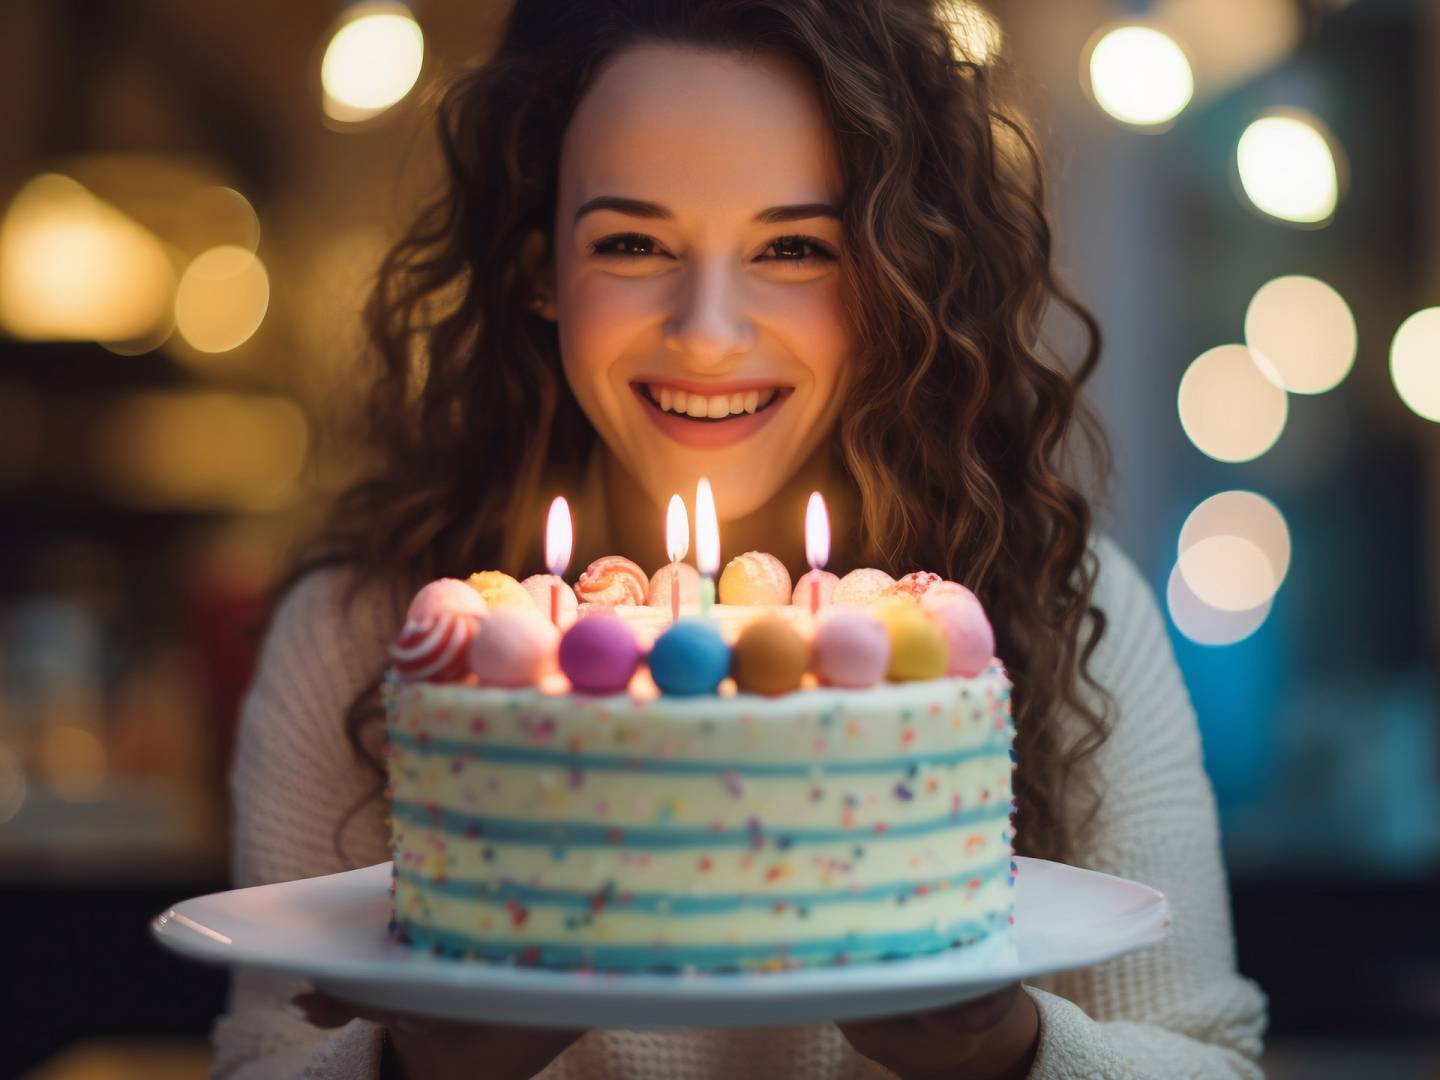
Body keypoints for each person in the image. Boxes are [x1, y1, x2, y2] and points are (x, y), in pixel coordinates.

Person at [210, 1, 1269, 1077]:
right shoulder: (366, 633)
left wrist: (1006, 1050)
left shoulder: (1050, 604)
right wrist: (421, 1067)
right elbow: (260, 1062)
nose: (708, 332)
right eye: (631, 242)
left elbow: (1213, 1060)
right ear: (538, 270)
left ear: (895, 273)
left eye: (794, 247)